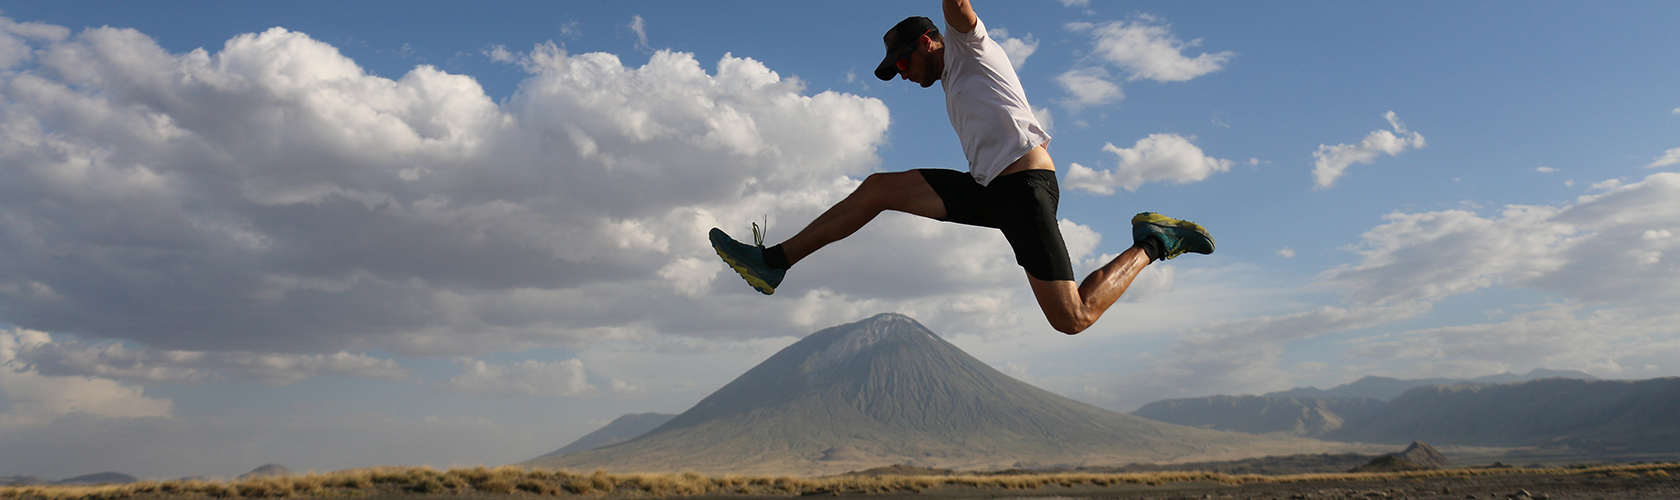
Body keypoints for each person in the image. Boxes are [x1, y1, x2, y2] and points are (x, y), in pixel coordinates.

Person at [708, 0, 1214, 335]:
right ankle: (773, 263)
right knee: (878, 188)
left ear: (928, 41)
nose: (902, 76)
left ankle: (1154, 241)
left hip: (1026, 188)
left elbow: (958, 6)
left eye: (903, 64)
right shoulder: (952, 80)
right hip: (990, 188)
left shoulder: (970, 48)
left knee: (1072, 318)